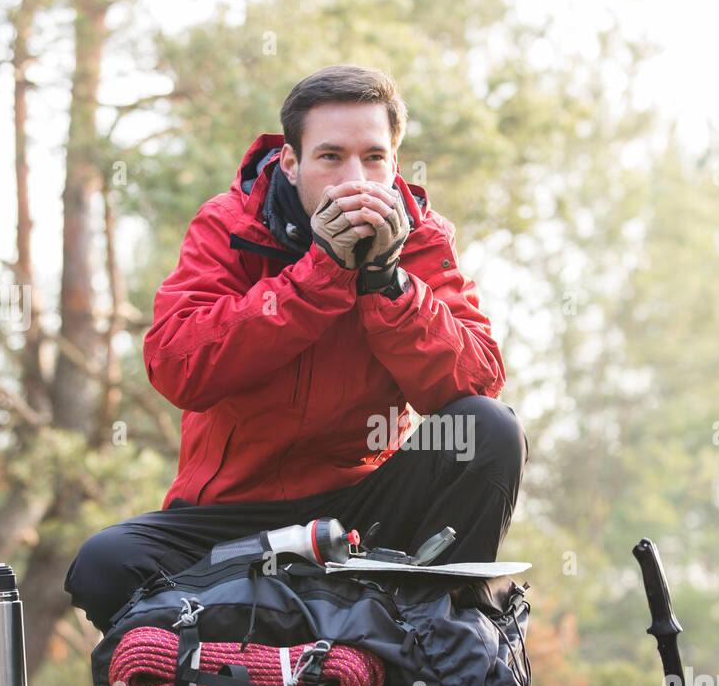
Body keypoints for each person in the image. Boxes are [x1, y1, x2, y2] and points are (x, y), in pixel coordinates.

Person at [65, 64, 529, 634]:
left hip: (363, 507)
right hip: (229, 518)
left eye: (374, 157)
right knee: (104, 565)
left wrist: (391, 285)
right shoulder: (229, 225)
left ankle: (437, 640)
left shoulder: (423, 237)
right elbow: (177, 365)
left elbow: (475, 382)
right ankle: (280, 641)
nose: (354, 178)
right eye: (330, 156)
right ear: (291, 161)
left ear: (394, 164)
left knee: (489, 428)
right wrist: (320, 275)